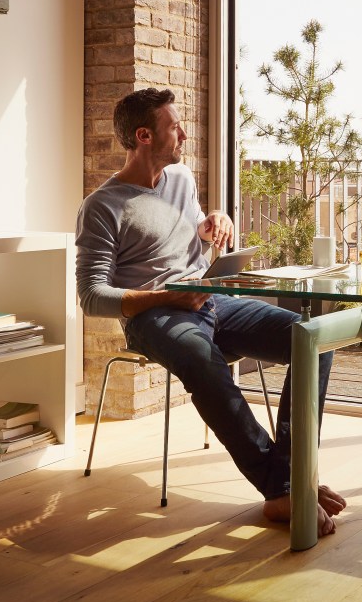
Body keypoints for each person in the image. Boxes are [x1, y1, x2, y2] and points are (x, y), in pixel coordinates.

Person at [75, 87, 345, 535]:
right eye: (173, 126)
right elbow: (91, 296)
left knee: (312, 337)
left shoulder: (179, 178)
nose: (184, 133)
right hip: (154, 317)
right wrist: (166, 297)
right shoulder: (102, 207)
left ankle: (292, 476)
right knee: (203, 362)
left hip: (210, 300)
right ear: (143, 136)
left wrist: (214, 220)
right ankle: (282, 489)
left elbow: (189, 229)